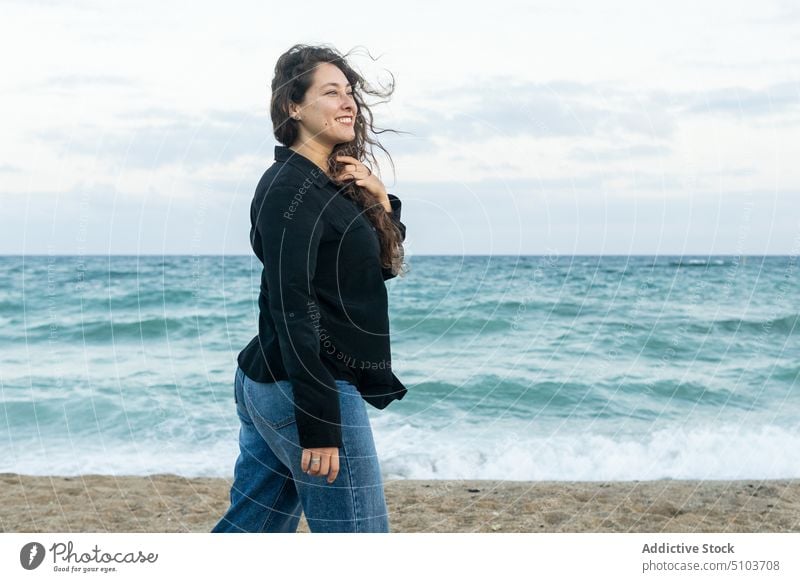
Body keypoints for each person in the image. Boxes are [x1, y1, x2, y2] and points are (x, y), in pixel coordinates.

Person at [211, 43, 409, 533]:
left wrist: (382, 203)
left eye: (350, 94)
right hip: (305, 387)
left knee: (251, 533)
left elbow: (373, 272)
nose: (349, 104)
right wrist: (318, 427)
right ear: (293, 107)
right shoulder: (287, 188)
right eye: (331, 92)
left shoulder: (335, 184)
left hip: (280, 381)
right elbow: (291, 307)